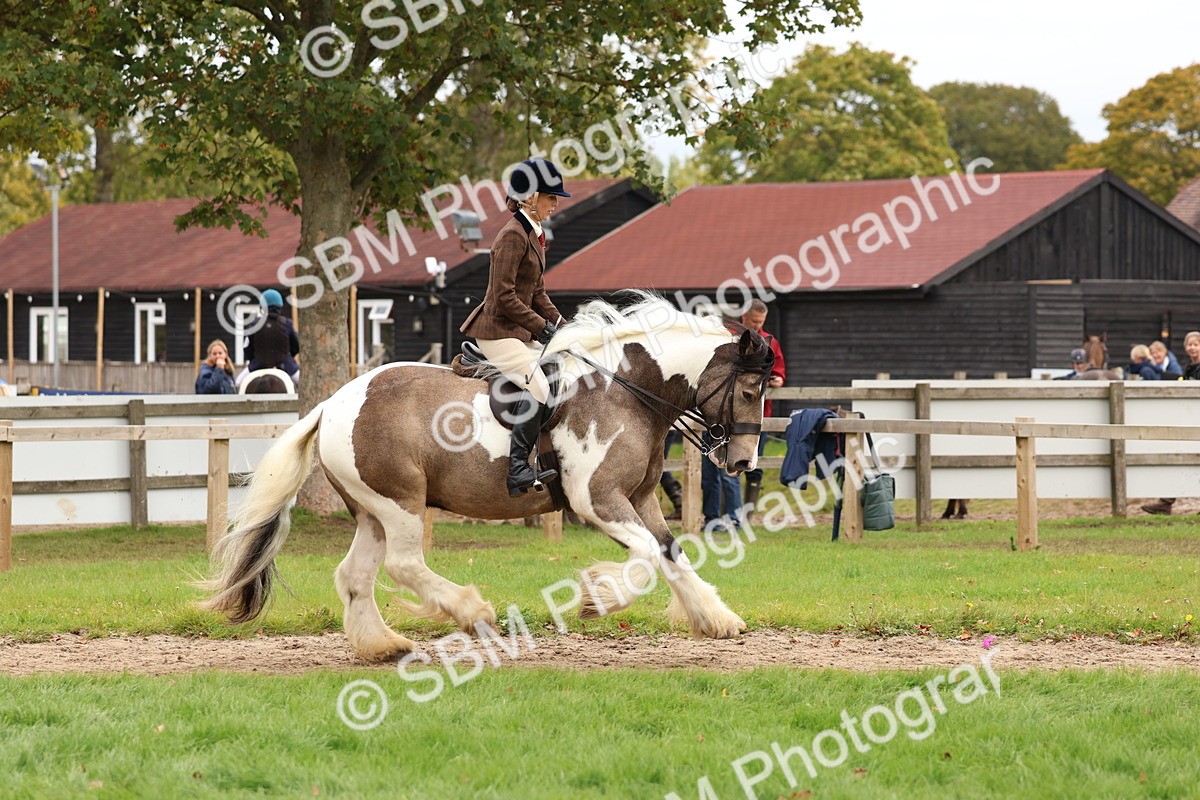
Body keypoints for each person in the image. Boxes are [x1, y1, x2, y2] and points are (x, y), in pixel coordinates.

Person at [460, 157, 568, 496]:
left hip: (517, 330)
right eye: (551, 197)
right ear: (530, 197)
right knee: (539, 386)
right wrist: (541, 327)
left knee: (562, 369)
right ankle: (518, 467)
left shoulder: (532, 234)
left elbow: (537, 292)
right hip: (497, 331)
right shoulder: (511, 236)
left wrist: (565, 327)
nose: (555, 204)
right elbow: (504, 296)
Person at [1142, 331, 1200, 515]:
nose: (1192, 348)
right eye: (1189, 345)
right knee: (1179, 457)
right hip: (1190, 419)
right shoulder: (1189, 368)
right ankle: (1165, 502)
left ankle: (1166, 502)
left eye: (1195, 344)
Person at [738, 299, 786, 510]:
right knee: (730, 462)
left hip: (761, 412)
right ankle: (729, 510)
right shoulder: (734, 337)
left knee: (754, 460)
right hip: (735, 409)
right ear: (744, 316)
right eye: (754, 321)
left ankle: (749, 510)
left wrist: (779, 379)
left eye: (761, 321)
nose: (757, 326)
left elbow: (779, 368)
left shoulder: (769, 341)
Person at [246, 289, 300, 384]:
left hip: (258, 365)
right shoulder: (287, 323)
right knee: (304, 384)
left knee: (237, 383)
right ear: (280, 306)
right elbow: (296, 346)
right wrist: (287, 355)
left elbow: (247, 348)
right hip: (286, 365)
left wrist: (253, 359)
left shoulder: (254, 324)